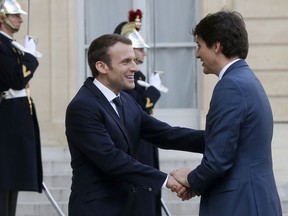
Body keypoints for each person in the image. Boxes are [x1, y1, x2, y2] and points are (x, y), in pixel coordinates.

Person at [65, 33, 205, 216]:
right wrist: (166, 179)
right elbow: (111, 159)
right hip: (96, 210)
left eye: (133, 60)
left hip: (127, 207)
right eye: (126, 62)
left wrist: (218, 138)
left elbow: (165, 134)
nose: (135, 68)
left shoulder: (126, 100)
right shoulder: (82, 107)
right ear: (102, 66)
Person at [171, 10, 283, 216]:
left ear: (216, 46)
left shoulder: (230, 86)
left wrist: (190, 179)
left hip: (239, 205)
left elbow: (218, 161)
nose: (197, 54)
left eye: (199, 45)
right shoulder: (245, 79)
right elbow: (230, 145)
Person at [113, 9, 167, 216]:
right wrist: (152, 92)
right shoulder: (127, 77)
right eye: (139, 48)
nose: (143, 52)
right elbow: (136, 108)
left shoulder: (139, 75)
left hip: (145, 140)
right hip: (134, 142)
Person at [0, 0, 43, 215]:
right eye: (15, 15)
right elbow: (16, 80)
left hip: (14, 121)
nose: (20, 19)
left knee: (11, 182)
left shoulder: (10, 46)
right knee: (4, 182)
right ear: (2, 17)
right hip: (6, 121)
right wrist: (31, 58)